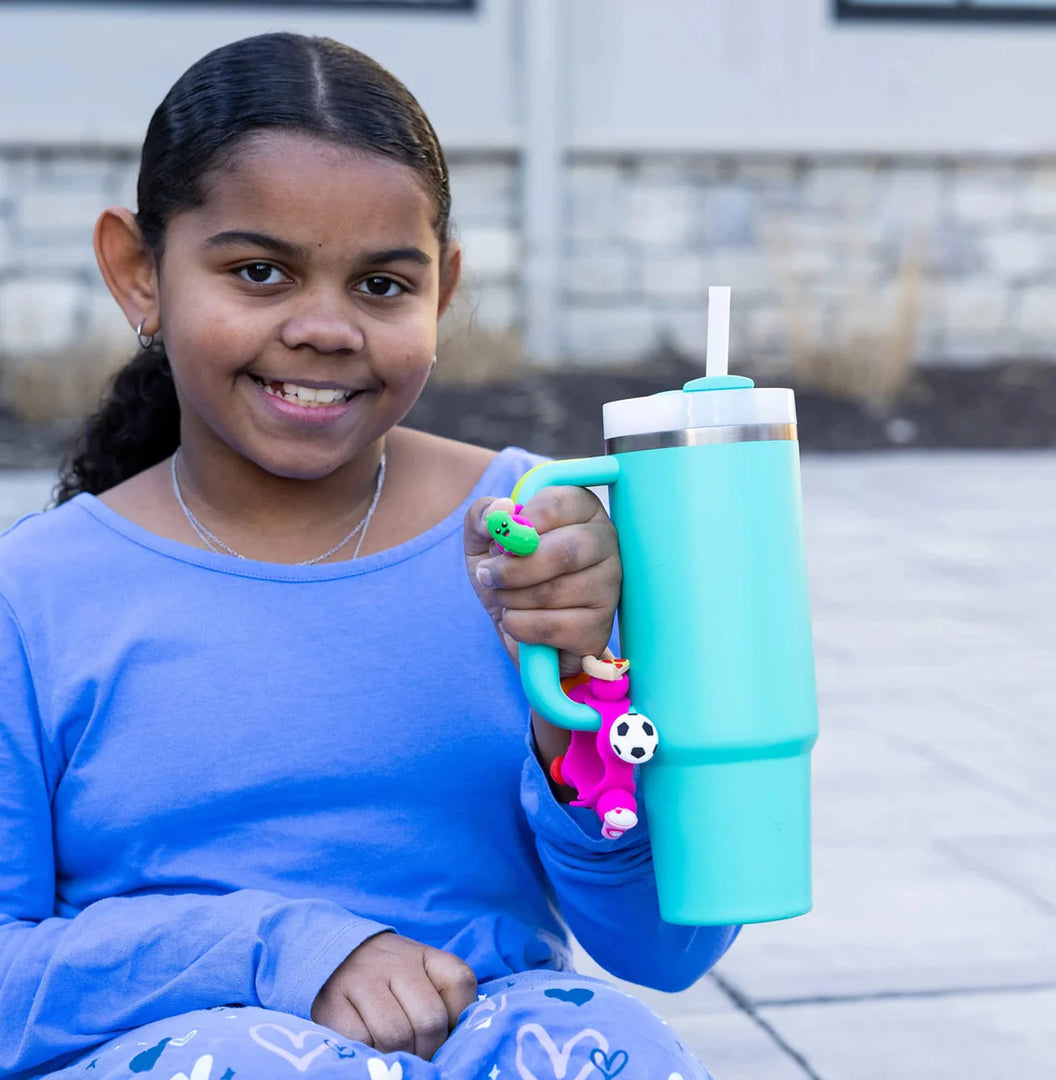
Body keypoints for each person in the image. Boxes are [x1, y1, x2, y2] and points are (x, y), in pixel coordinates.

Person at [0, 33, 738, 1080]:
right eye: (259, 272)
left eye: (383, 285)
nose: (325, 328)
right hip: (177, 1052)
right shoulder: (33, 601)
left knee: (600, 1039)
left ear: (443, 292)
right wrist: (279, 951)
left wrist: (575, 694)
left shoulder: (544, 544)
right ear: (139, 272)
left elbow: (666, 950)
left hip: (490, 1043)